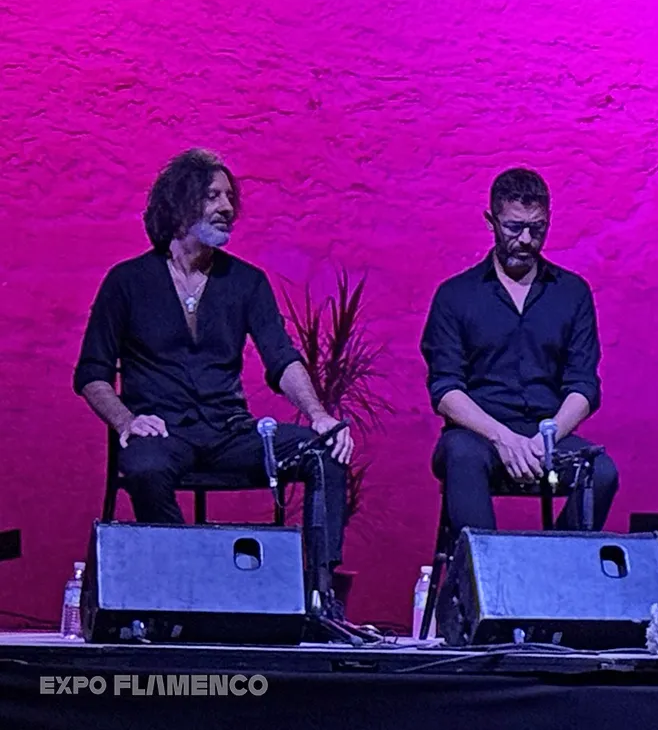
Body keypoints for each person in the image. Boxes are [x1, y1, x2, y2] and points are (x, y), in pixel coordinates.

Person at [73, 149, 354, 604]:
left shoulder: (246, 282)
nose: (227, 208)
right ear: (179, 207)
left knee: (326, 454)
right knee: (144, 466)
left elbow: (281, 359)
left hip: (229, 432)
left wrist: (318, 415)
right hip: (163, 431)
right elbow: (91, 374)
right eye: (212, 197)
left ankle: (318, 593)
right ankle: (186, 587)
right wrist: (126, 421)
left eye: (229, 197)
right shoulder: (127, 282)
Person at [421, 168, 617, 539]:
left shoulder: (572, 293)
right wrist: (502, 438)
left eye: (537, 229)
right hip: (478, 433)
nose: (526, 240)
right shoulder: (455, 295)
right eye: (513, 228)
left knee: (602, 471)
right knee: (461, 456)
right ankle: (486, 581)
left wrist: (547, 437)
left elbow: (584, 386)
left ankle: (555, 569)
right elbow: (445, 391)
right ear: (491, 221)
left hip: (547, 433)